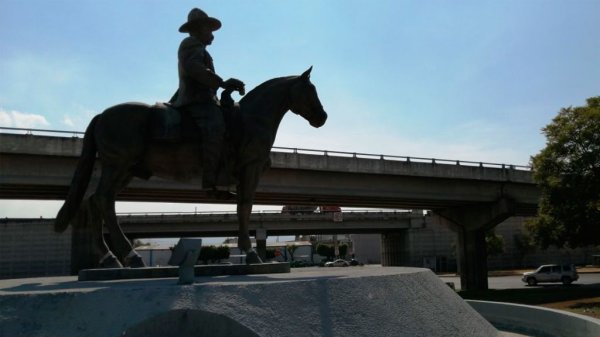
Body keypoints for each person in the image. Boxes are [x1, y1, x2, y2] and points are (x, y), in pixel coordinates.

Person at [170, 8, 244, 192]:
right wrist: (222, 82)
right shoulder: (190, 43)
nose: (212, 34)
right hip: (195, 100)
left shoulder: (200, 48)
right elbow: (195, 69)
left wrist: (225, 90)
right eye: (208, 30)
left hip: (204, 98)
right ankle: (209, 182)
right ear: (198, 29)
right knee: (216, 126)